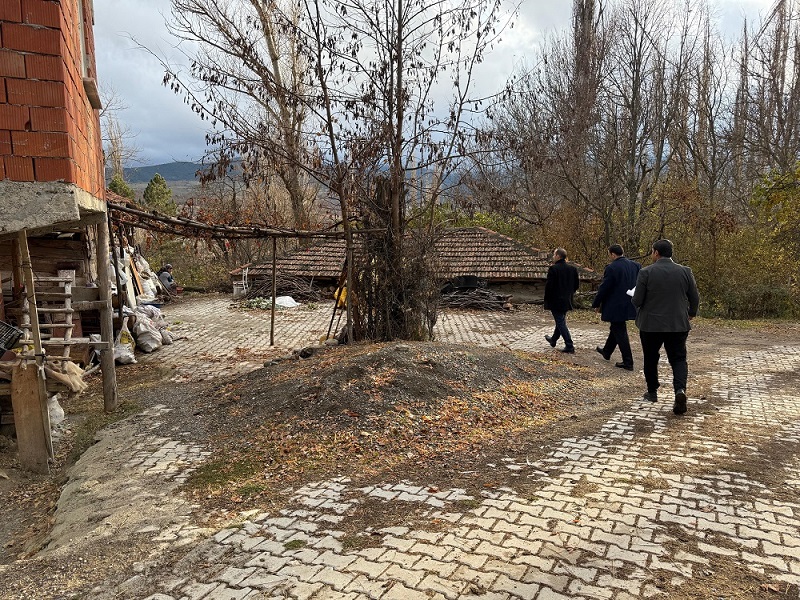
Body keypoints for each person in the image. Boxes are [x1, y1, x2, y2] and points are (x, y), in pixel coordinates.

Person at [632, 239, 700, 415]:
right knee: (678, 358)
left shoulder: (646, 272)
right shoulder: (685, 271)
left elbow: (637, 300)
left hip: (650, 325)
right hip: (677, 323)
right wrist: (691, 312)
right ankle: (679, 390)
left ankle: (652, 392)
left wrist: (634, 300)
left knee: (651, 357)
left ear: (656, 253)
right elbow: (694, 296)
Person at [591, 244, 641, 371]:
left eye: (610, 255)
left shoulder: (612, 268)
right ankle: (607, 351)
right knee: (616, 327)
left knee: (620, 331)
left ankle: (628, 362)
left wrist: (596, 303)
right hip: (630, 302)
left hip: (615, 304)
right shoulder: (636, 266)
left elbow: (604, 287)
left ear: (613, 254)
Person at [544, 247, 580, 353]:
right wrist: (569, 293)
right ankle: (553, 339)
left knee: (561, 322)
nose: (553, 257)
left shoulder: (553, 269)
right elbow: (576, 285)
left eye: (554, 255)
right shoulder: (573, 269)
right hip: (567, 299)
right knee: (560, 321)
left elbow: (549, 286)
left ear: (558, 256)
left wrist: (547, 299)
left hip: (556, 300)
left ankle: (569, 345)